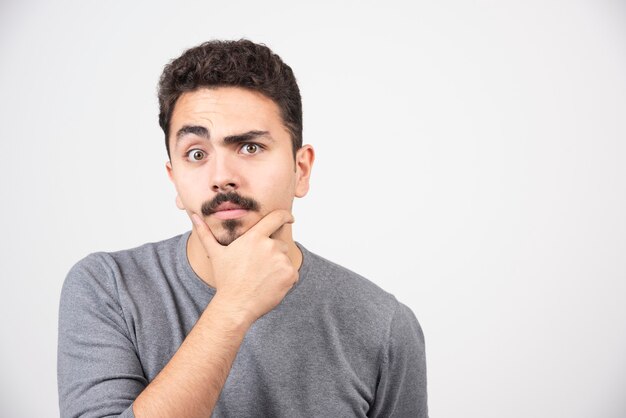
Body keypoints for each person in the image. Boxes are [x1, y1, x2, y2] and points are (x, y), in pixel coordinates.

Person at [57, 39, 428, 418]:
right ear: (174, 180)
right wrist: (233, 305)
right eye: (196, 154)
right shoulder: (108, 288)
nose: (221, 177)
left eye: (250, 147)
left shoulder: (383, 325)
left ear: (301, 170)